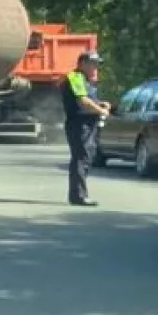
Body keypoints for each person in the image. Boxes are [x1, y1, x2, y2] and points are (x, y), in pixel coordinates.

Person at [60, 51, 112, 206]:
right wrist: (101, 110)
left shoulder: (86, 80)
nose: (96, 67)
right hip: (79, 124)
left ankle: (79, 194)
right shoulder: (75, 77)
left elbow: (89, 99)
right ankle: (78, 195)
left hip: (88, 124)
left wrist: (100, 103)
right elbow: (82, 101)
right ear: (82, 64)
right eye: (93, 64)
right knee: (81, 157)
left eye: (97, 64)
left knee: (86, 156)